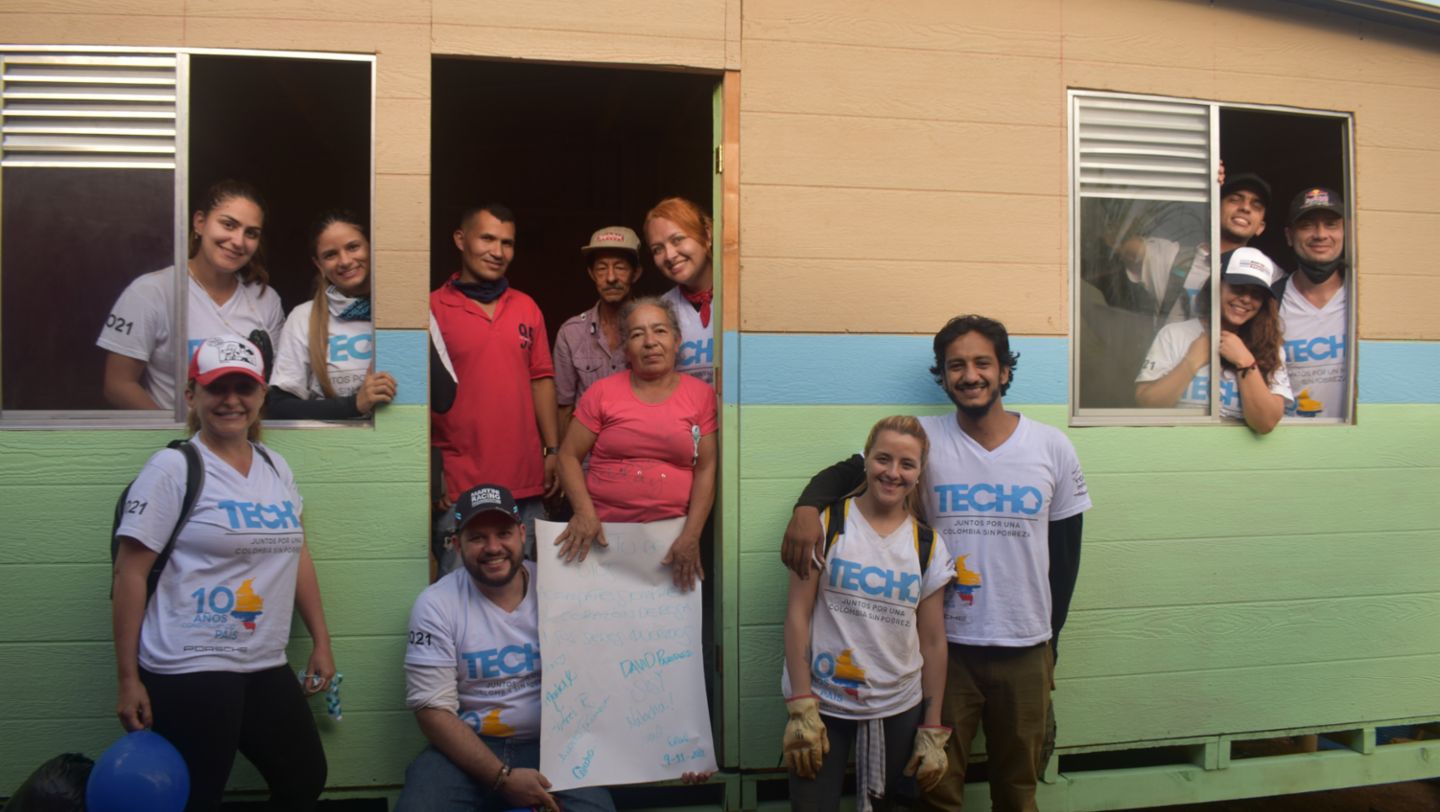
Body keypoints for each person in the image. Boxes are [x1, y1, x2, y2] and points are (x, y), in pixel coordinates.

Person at [780, 315, 1092, 812]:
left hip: (1026, 646)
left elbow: (1067, 556)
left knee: (1020, 787)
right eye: (956, 366)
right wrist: (804, 508)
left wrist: (1052, 642)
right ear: (942, 376)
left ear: (1005, 371)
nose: (970, 375)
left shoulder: (1052, 446)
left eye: (982, 363)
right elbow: (849, 471)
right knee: (934, 789)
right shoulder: (923, 440)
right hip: (946, 650)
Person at [111, 335, 334, 811]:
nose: (231, 400)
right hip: (190, 665)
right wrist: (128, 679)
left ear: (260, 397)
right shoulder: (172, 469)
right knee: (197, 796)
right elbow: (130, 574)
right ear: (192, 395)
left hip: (263, 660)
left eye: (244, 387)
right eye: (217, 387)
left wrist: (321, 640)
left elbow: (298, 554)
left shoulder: (276, 466)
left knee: (304, 776)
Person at [396, 483, 616, 812]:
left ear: (521, 534)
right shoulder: (437, 605)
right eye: (477, 537)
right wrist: (503, 778)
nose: (493, 547)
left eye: (503, 533)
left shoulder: (560, 589)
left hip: (555, 744)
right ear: (457, 544)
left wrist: (673, 751)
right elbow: (432, 712)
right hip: (468, 747)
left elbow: (611, 672)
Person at [781, 416, 953, 811]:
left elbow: (933, 641)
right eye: (883, 459)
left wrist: (932, 726)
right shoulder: (826, 525)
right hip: (823, 703)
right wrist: (801, 702)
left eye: (906, 464)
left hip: (899, 706)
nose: (893, 473)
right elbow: (797, 616)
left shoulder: (928, 545)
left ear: (919, 472)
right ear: (867, 461)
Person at [553, 296, 717, 591]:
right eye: (638, 334)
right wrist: (584, 513)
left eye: (660, 331)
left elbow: (706, 469)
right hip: (602, 538)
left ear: (677, 341)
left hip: (672, 543)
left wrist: (691, 537)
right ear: (625, 349)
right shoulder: (602, 393)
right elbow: (567, 457)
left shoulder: (701, 396)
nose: (650, 342)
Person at [430, 204, 561, 547]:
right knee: (460, 590)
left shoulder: (526, 307)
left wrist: (553, 450)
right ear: (461, 239)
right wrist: (431, 469)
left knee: (526, 586)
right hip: (459, 482)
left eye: (507, 243)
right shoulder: (431, 309)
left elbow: (541, 380)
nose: (497, 252)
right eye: (487, 238)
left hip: (525, 479)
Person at [98, 179, 285, 411]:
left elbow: (268, 386)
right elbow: (119, 385)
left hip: (242, 440)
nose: (238, 241)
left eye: (251, 233)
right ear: (199, 223)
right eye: (228, 225)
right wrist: (181, 437)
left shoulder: (266, 300)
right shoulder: (152, 292)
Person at [1135, 247, 1293, 434]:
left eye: (1256, 294)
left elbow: (1265, 423)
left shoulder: (1269, 346)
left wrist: (1245, 362)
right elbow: (1148, 406)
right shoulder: (1174, 334)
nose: (1246, 299)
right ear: (1217, 285)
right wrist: (1192, 361)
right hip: (1179, 452)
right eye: (1238, 288)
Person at [267, 210, 397, 419]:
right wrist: (354, 404)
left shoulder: (405, 310)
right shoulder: (303, 317)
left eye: (353, 247)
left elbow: (444, 398)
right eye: (330, 255)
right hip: (330, 447)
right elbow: (279, 406)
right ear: (319, 265)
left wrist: (404, 303)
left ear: (372, 248)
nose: (344, 261)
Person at [553, 226, 643, 437]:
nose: (611, 277)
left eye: (620, 267)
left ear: (636, 273)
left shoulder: (655, 331)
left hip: (640, 456)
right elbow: (563, 407)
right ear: (592, 274)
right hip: (586, 460)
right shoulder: (571, 333)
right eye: (602, 268)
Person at [1279, 187, 1349, 420]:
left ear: (1345, 231)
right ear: (1289, 236)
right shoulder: (1271, 302)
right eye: (1307, 225)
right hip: (1290, 443)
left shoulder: (1365, 299)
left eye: (1331, 224)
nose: (1320, 234)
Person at [643, 197, 715, 384]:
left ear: (707, 235)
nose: (669, 255)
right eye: (657, 249)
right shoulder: (660, 310)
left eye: (678, 240)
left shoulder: (740, 297)